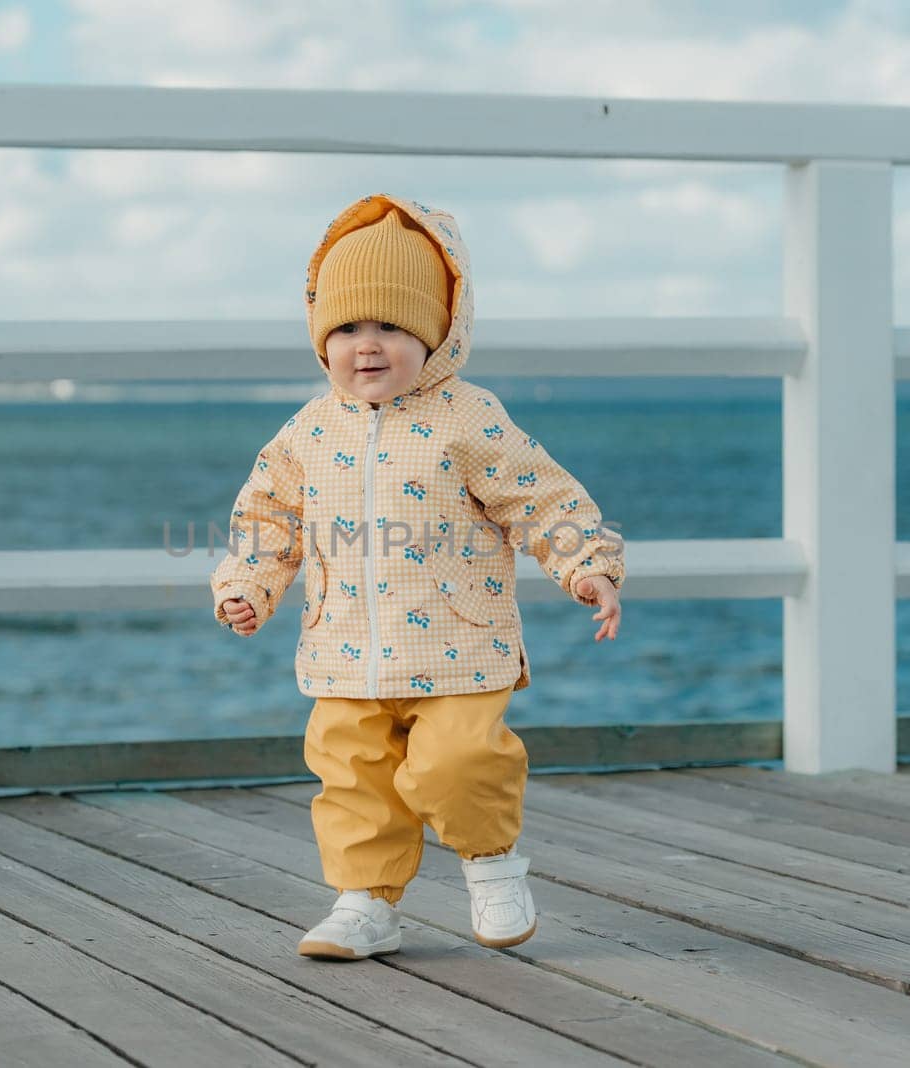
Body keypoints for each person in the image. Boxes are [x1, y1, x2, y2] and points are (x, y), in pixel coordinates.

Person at [213, 193, 623, 961]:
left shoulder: (468, 418)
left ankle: (493, 863)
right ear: (320, 337)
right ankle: (365, 902)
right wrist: (249, 585)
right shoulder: (307, 430)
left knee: (459, 763)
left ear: (436, 334)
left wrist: (586, 565)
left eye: (392, 327)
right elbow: (266, 515)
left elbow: (541, 496)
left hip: (459, 647)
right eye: (347, 328)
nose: (367, 346)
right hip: (344, 653)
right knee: (353, 780)